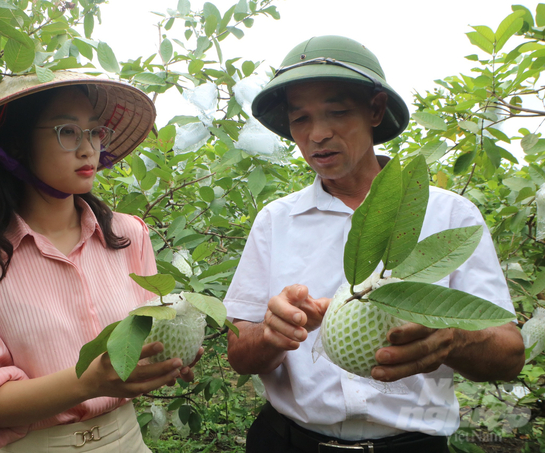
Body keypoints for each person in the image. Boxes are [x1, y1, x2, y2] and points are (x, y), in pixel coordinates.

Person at [224, 36, 525, 453]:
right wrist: (273, 334)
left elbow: (509, 355)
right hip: (287, 442)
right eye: (301, 119)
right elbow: (239, 353)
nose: (318, 134)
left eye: (337, 112)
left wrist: (449, 338)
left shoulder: (448, 216)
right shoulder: (276, 221)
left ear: (375, 110)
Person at [0, 72, 200, 453]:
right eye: (68, 132)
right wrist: (87, 383)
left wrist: (167, 359)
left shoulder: (127, 235)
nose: (88, 149)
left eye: (94, 132)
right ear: (18, 145)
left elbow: (145, 336)